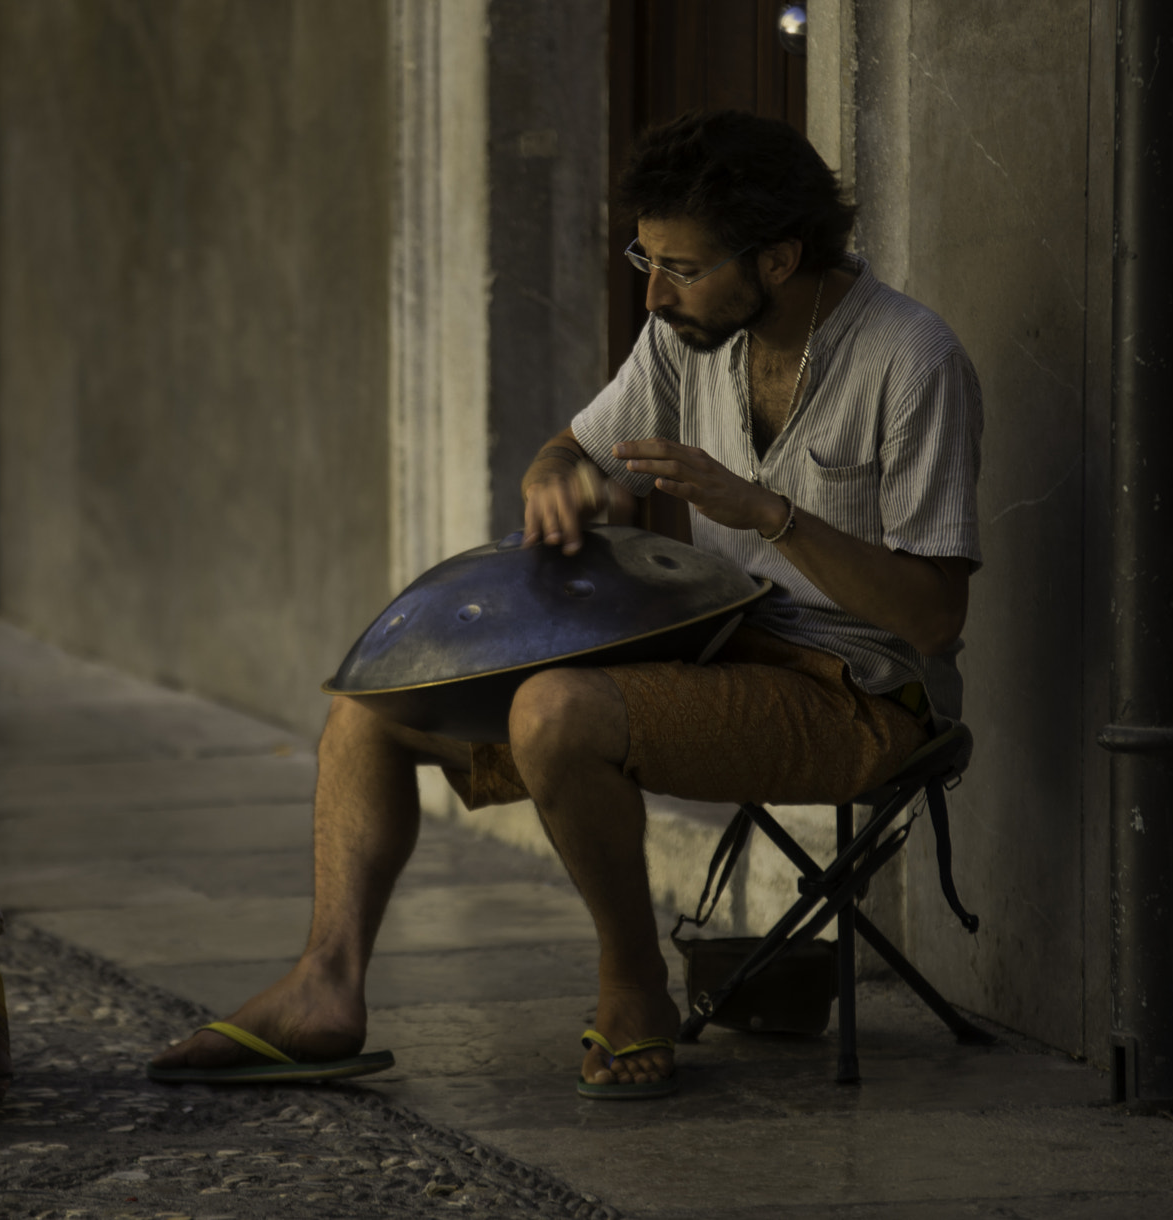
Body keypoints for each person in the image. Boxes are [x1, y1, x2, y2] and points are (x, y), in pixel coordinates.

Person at [149, 110, 983, 1098]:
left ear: (777, 258)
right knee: (374, 704)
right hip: (718, 646)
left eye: (678, 264)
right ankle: (324, 986)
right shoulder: (686, 335)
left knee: (554, 711)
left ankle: (632, 983)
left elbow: (932, 618)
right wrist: (554, 479)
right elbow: (571, 447)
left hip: (863, 693)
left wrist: (763, 509)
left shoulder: (910, 358)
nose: (650, 288)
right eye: (645, 255)